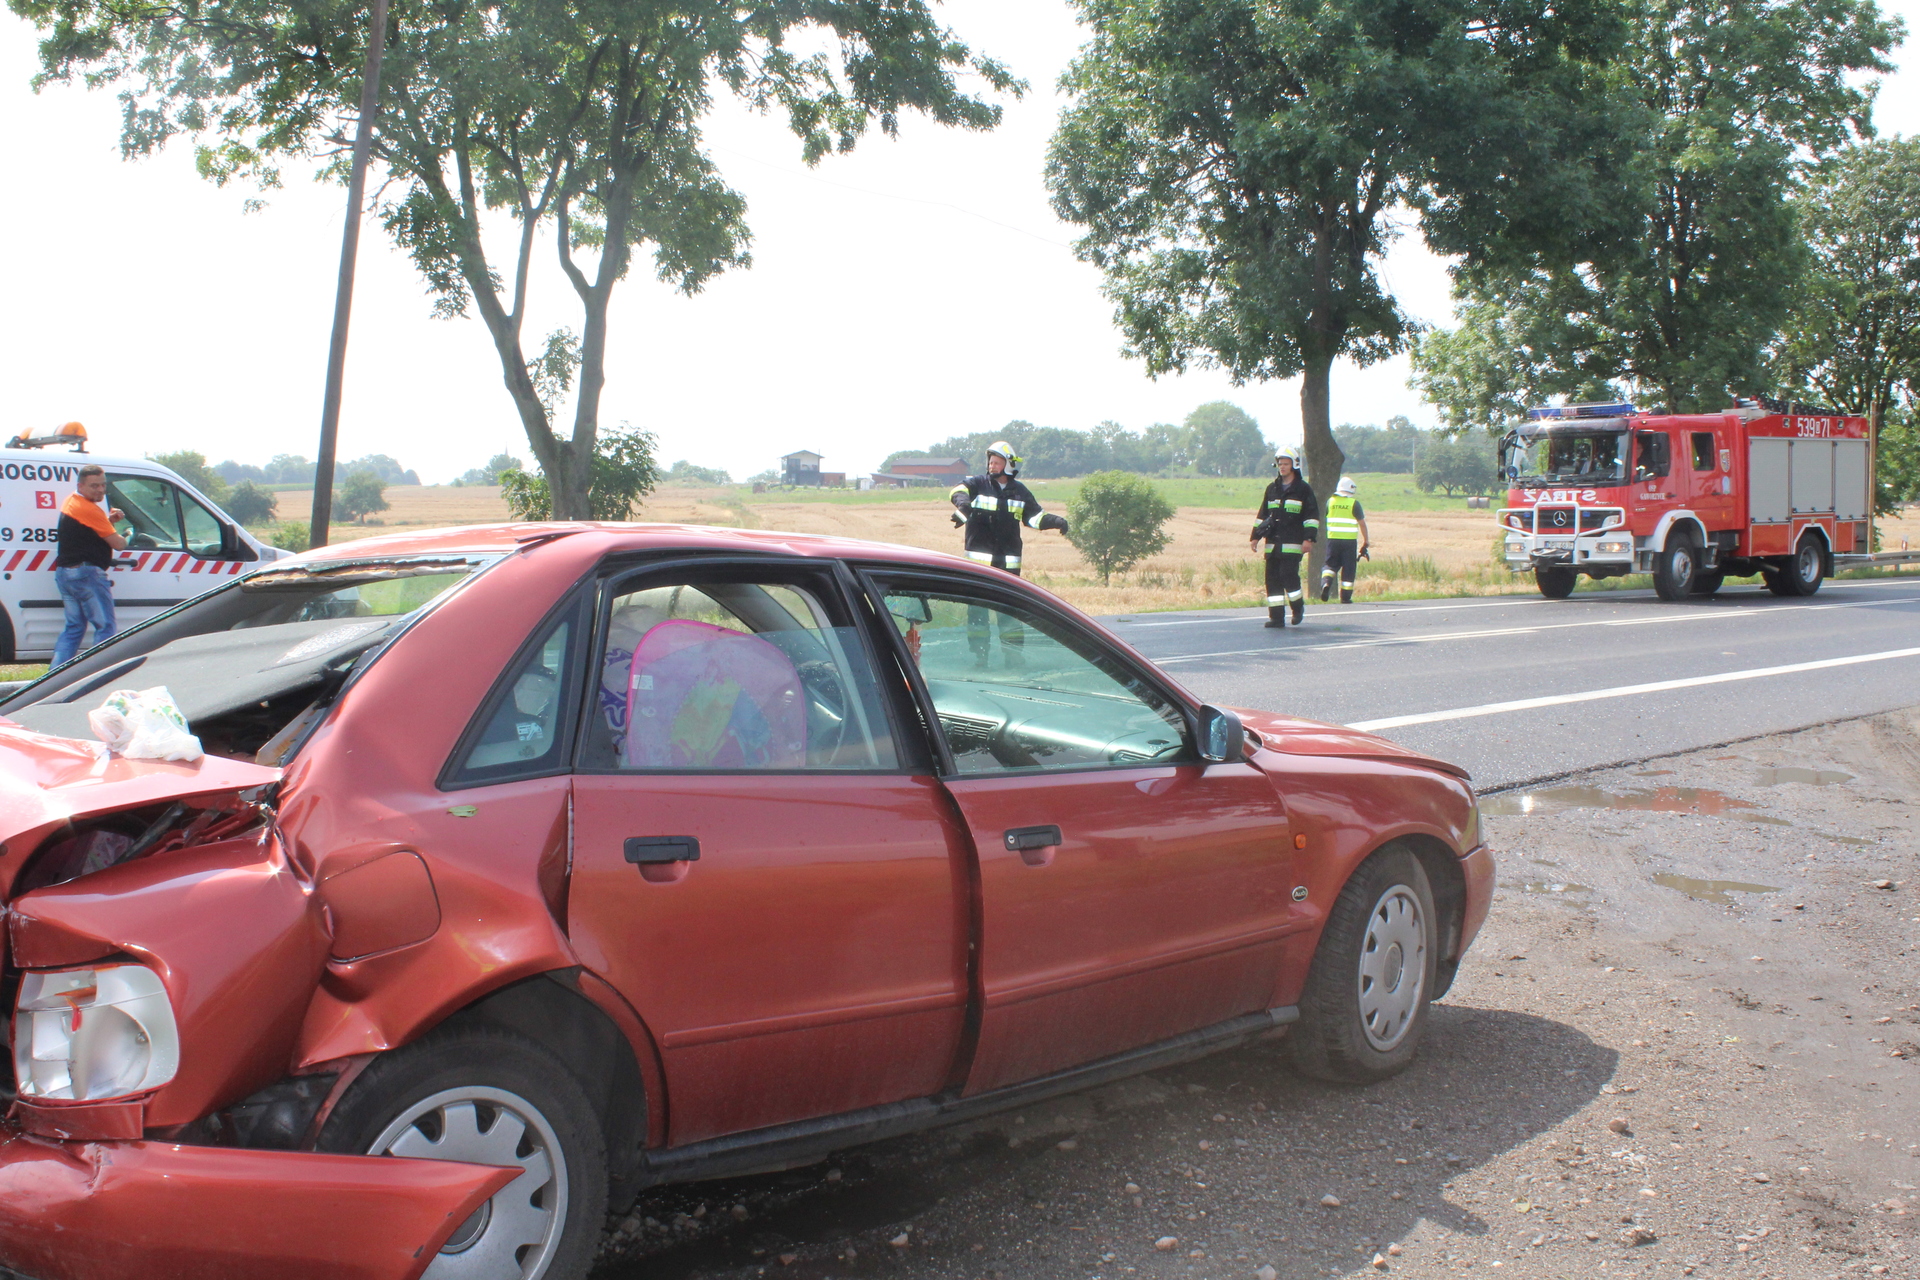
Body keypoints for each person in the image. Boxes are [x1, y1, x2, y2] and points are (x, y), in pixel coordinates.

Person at [948, 442, 1069, 665]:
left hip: (1008, 566)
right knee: (977, 614)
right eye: (990, 462)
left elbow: (1035, 517)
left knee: (1010, 613)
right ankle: (980, 657)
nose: (991, 466)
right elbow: (958, 491)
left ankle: (1013, 657)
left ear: (1009, 464)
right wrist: (963, 506)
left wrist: (1057, 521)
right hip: (979, 567)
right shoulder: (977, 484)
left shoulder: (1020, 491)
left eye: (997, 462)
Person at [53, 464, 127, 666]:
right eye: (94, 486)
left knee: (74, 627)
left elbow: (86, 529)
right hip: (86, 574)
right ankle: (98, 672)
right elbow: (119, 544)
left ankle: (54, 675)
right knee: (106, 627)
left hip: (65, 573)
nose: (100, 490)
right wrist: (127, 535)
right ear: (80, 485)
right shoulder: (91, 510)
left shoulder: (71, 501)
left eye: (103, 485)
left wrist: (108, 521)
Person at [1249, 448, 1318, 628]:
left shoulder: (1303, 489)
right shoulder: (1272, 489)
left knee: (1288, 576)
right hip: (1273, 544)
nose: (1282, 467)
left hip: (1293, 543)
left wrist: (1309, 539)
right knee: (1272, 580)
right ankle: (1277, 618)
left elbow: (1311, 516)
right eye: (1280, 464)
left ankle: (1297, 608)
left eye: (1286, 464)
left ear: (1294, 465)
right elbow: (1262, 515)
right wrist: (1255, 537)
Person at [1319, 476, 1370, 603]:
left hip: (1333, 540)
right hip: (1349, 542)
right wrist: (1366, 541)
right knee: (1348, 569)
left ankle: (1326, 583)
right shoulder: (1354, 503)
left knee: (1330, 565)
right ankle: (1345, 597)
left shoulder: (1330, 502)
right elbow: (1362, 524)